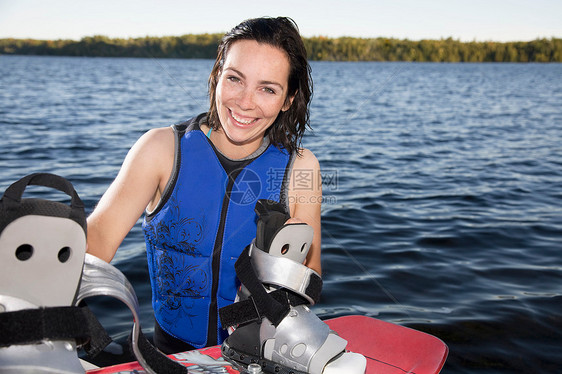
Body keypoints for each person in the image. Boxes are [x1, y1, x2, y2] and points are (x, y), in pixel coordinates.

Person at [86, 17, 322, 354]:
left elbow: (311, 275)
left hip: (257, 356)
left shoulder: (302, 167)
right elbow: (96, 243)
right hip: (172, 355)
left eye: (267, 88)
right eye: (235, 79)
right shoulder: (161, 149)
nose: (245, 101)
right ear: (216, 78)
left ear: (288, 99)